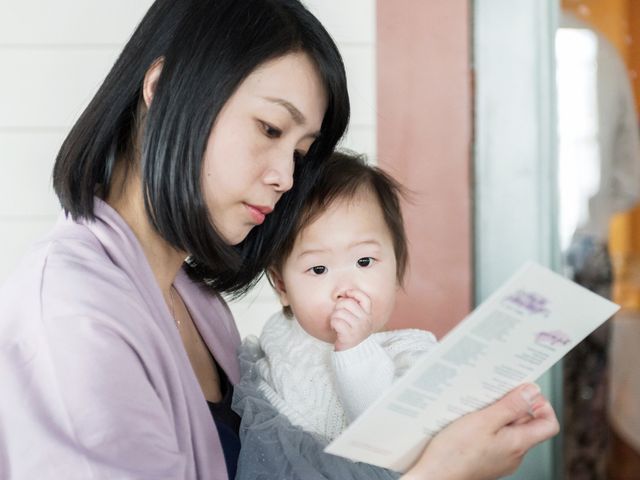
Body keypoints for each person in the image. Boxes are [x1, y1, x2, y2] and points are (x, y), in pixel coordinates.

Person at [0, 1, 558, 479]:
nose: (286, 179)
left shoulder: (194, 298)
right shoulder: (72, 315)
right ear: (164, 87)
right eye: (269, 129)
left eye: (298, 152)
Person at [233, 151, 436, 478]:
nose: (345, 287)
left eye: (365, 262)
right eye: (318, 268)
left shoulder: (408, 356)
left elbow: (389, 436)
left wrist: (356, 351)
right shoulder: (278, 336)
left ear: (396, 266)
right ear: (282, 286)